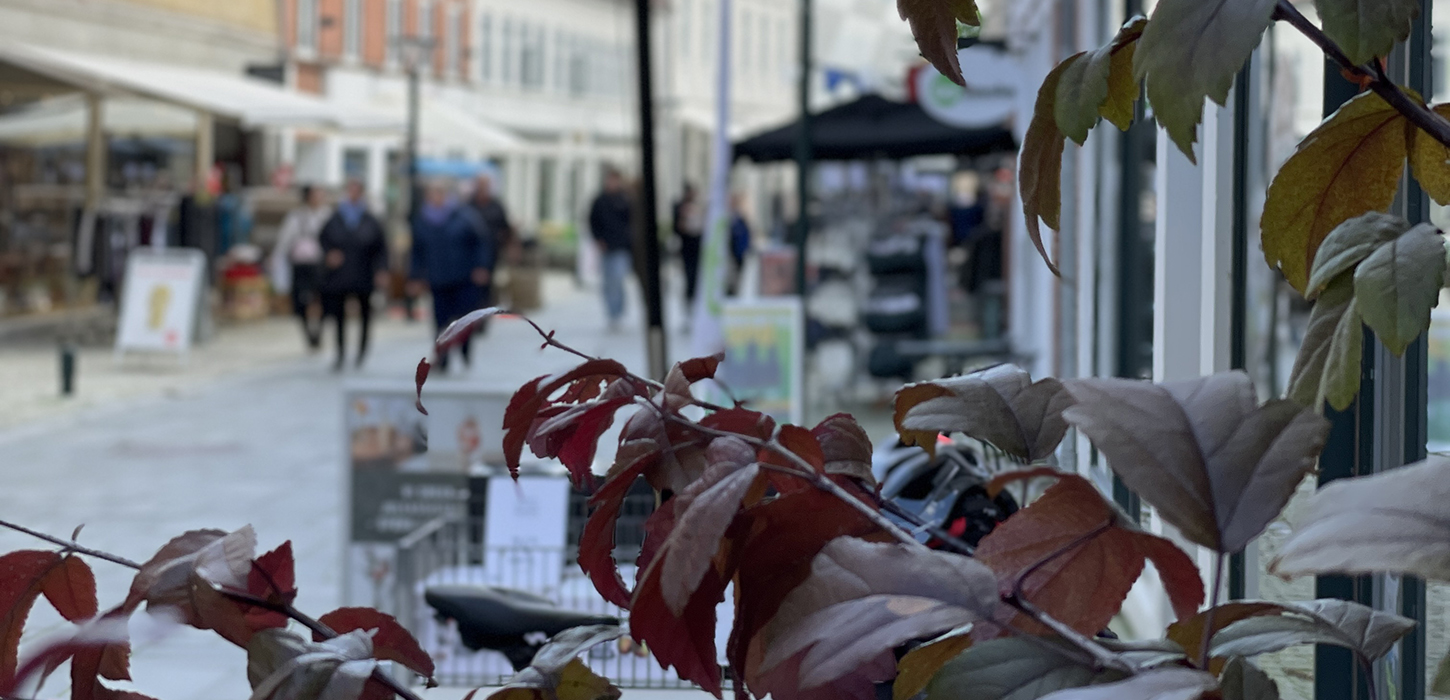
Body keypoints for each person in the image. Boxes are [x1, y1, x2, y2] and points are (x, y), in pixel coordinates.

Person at [410, 180, 492, 372]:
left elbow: (480, 242)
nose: (436, 198)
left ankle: (464, 349)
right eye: (432, 194)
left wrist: (481, 267)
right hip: (438, 277)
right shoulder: (423, 220)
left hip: (463, 277)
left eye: (440, 193)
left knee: (464, 318)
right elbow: (417, 250)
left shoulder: (465, 216)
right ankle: (442, 356)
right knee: (440, 320)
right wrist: (415, 276)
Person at [319, 180, 389, 370]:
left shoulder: (371, 220)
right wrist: (329, 254)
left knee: (365, 314)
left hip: (363, 273)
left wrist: (381, 270)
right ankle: (340, 352)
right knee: (338, 315)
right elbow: (323, 240)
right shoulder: (334, 218)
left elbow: (381, 248)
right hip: (339, 276)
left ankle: (361, 351)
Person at [269, 184, 332, 350]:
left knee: (323, 298)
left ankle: (319, 330)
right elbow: (285, 240)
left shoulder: (327, 216)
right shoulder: (296, 217)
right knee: (301, 300)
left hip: (321, 263)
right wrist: (277, 258)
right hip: (302, 263)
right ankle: (308, 333)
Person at [589, 168, 634, 331]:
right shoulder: (600, 200)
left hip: (621, 247)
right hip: (606, 248)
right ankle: (611, 313)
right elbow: (592, 221)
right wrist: (598, 239)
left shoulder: (625, 199)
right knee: (608, 282)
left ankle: (618, 312)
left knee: (617, 279)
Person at [467, 173, 511, 333]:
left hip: (492, 253)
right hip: (470, 255)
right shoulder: (468, 205)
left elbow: (506, 228)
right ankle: (471, 319)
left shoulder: (497, 206)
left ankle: (483, 320)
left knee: (487, 288)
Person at [672, 182, 704, 308]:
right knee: (689, 274)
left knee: (698, 274)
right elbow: (677, 228)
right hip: (686, 247)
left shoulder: (699, 206)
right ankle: (689, 300)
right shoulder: (679, 206)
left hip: (698, 246)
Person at [728, 194, 752, 296]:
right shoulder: (727, 219)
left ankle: (734, 292)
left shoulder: (740, 220)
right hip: (729, 254)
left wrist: (745, 248)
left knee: (737, 274)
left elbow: (746, 235)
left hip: (738, 252)